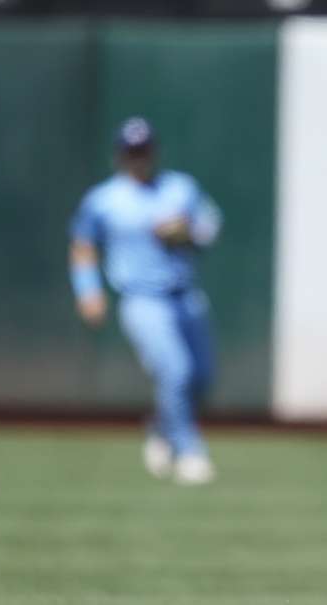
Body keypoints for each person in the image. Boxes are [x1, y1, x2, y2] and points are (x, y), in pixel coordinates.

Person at [68, 116, 221, 486]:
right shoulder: (104, 200)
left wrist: (186, 231)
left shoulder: (180, 188)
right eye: (131, 151)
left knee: (201, 379)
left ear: (154, 151)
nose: (138, 157)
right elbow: (83, 246)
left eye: (143, 149)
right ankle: (189, 452)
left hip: (185, 294)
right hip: (141, 299)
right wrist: (88, 290)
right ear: (120, 154)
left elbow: (210, 226)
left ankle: (161, 428)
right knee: (176, 371)